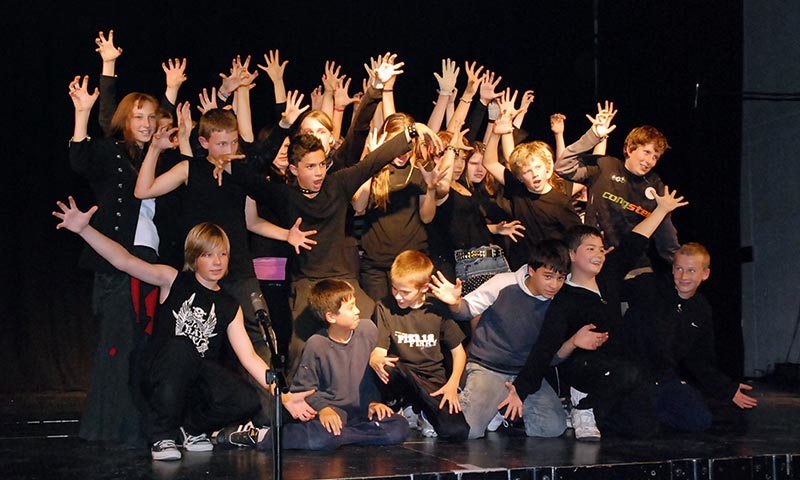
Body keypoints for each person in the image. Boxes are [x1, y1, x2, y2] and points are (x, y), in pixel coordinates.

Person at [52, 197, 315, 461]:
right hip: (161, 373)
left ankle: (190, 428)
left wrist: (284, 395)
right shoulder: (173, 280)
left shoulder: (229, 304)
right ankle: (161, 436)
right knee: (181, 346)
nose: (217, 262)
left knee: (245, 399)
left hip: (195, 381)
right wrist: (84, 229)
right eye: (208, 254)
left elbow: (250, 358)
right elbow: (124, 261)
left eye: (222, 254)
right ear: (194, 257)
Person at [510, 186, 689, 441]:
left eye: (601, 248)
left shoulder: (608, 276)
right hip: (583, 369)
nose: (599, 253)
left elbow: (634, 241)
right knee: (630, 372)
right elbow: (544, 349)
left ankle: (596, 409)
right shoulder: (564, 298)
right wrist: (520, 389)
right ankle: (582, 404)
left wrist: (661, 210)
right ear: (572, 254)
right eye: (590, 249)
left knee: (645, 427)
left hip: (616, 369)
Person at [429, 240, 571, 439]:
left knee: (553, 428)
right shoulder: (504, 283)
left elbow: (550, 355)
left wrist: (573, 343)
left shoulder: (562, 301)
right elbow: (466, 311)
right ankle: (464, 404)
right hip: (488, 367)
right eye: (548, 276)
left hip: (526, 374)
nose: (554, 285)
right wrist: (455, 303)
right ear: (531, 270)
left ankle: (501, 410)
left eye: (560, 278)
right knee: (468, 431)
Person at [622, 243, 758, 432]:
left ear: (705, 274)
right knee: (642, 426)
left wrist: (727, 388)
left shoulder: (700, 309)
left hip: (665, 380)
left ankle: (647, 415)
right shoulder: (649, 286)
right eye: (679, 269)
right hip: (633, 377)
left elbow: (700, 359)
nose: (684, 277)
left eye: (691, 270)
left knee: (699, 420)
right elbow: (612, 286)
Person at [260, 279, 409, 450]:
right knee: (321, 438)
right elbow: (304, 388)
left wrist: (374, 403)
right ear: (331, 317)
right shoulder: (316, 344)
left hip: (363, 414)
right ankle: (269, 437)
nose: (358, 311)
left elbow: (371, 379)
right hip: (334, 413)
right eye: (351, 307)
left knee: (399, 427)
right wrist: (324, 409)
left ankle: (343, 437)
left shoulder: (367, 330)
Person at [555, 102, 679, 269]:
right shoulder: (605, 166)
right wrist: (593, 135)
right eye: (647, 152)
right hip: (596, 260)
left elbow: (666, 236)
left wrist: (682, 265)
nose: (650, 161)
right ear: (629, 149)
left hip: (634, 266)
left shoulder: (656, 186)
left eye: (655, 157)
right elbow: (563, 167)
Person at [369, 250, 470, 441]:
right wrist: (375, 358)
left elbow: (458, 352)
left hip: (431, 380)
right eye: (394, 289)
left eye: (405, 292)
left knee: (457, 431)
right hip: (404, 374)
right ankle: (401, 405)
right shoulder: (384, 306)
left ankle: (422, 411)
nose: (398, 296)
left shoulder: (436, 307)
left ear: (424, 288)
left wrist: (453, 384)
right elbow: (379, 350)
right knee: (388, 367)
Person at [481, 95, 581, 270]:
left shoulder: (561, 201)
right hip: (523, 268)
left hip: (553, 270)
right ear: (520, 176)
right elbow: (489, 162)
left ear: (547, 168)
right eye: (527, 171)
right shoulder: (518, 188)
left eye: (537, 167)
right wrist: (497, 133)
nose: (534, 174)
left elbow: (577, 240)